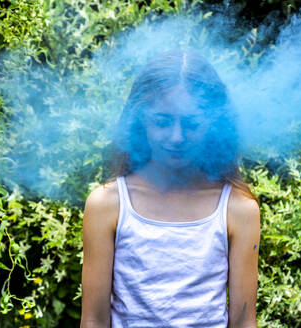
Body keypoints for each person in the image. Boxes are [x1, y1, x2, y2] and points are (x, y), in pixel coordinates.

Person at [80, 49, 261, 328]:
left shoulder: (239, 209)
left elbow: (243, 321)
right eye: (163, 121)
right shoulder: (107, 204)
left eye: (191, 123)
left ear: (213, 123)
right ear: (141, 118)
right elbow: (93, 320)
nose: (177, 137)